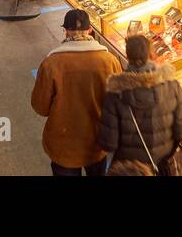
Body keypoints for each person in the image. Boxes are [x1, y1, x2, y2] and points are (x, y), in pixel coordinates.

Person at [31, 9, 121, 176]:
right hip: (98, 142)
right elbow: (118, 105)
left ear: (66, 31)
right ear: (90, 31)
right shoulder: (110, 61)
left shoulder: (51, 63)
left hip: (64, 146)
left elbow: (40, 107)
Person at [98, 35, 182, 175]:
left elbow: (108, 142)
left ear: (127, 56)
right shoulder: (172, 86)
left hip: (131, 169)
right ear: (150, 54)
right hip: (164, 166)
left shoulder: (116, 94)